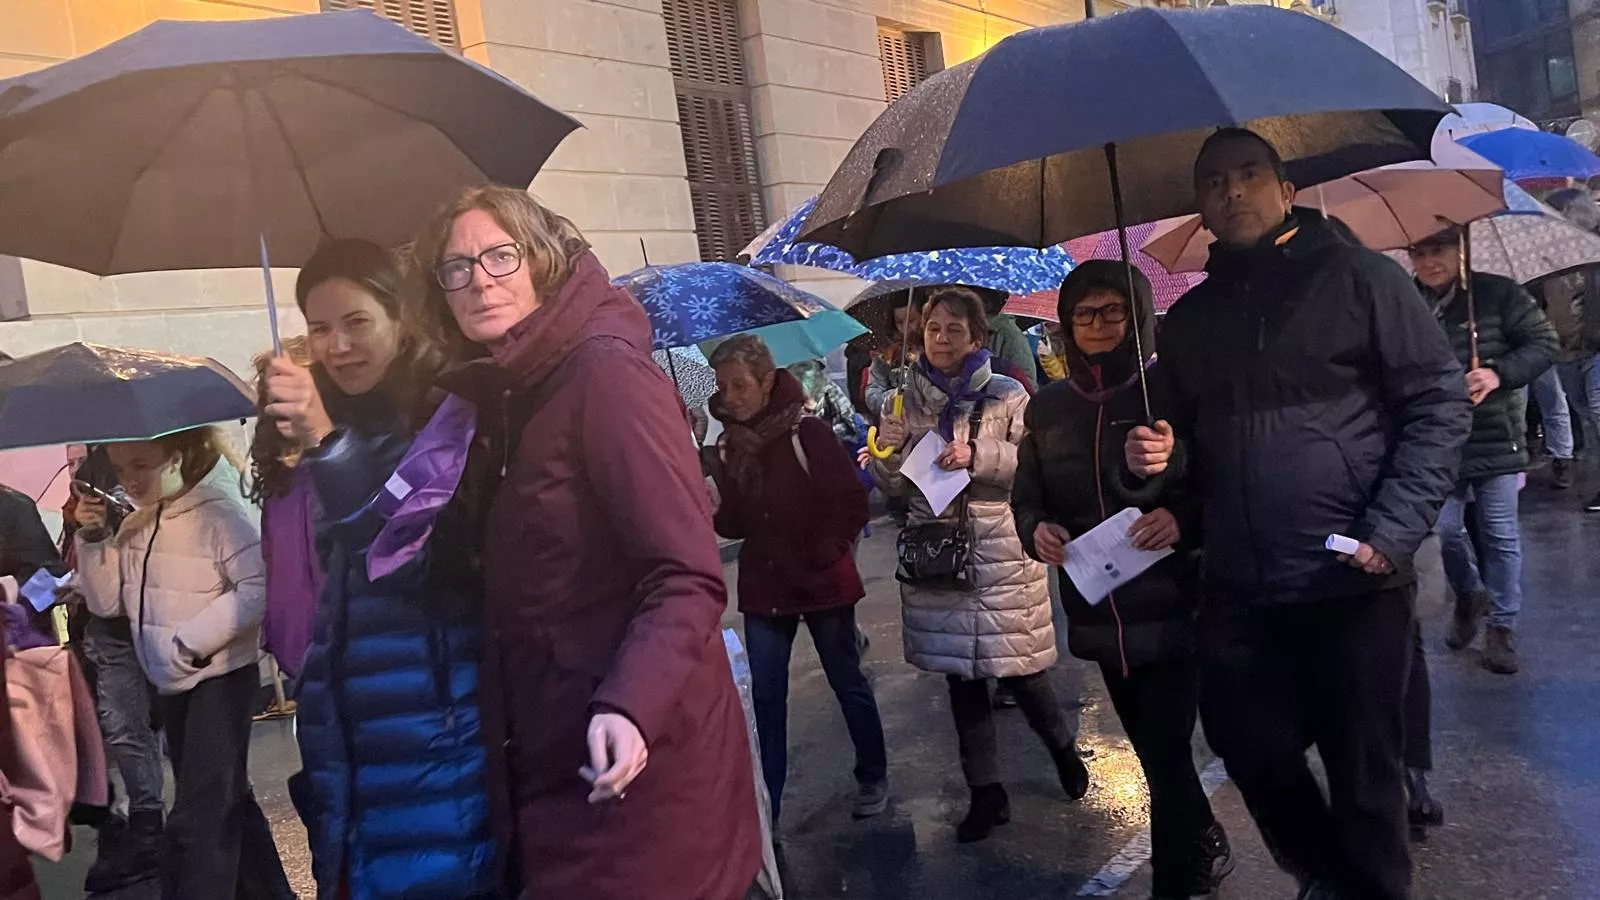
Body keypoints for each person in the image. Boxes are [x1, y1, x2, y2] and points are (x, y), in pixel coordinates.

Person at [1127, 128, 1471, 900]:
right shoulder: (1187, 324)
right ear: (1201, 207)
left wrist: (1391, 531)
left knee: (1364, 777)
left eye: (1251, 174)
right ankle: (1329, 872)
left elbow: (1437, 403)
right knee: (1247, 746)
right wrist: (1154, 462)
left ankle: (1367, 884)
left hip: (1353, 578)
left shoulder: (1363, 282)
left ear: (1287, 190)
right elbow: (1183, 457)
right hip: (1241, 586)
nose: (1233, 191)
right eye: (1214, 181)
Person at [414, 185, 762, 900]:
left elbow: (686, 576)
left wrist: (630, 704)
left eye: (499, 256)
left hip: (641, 772)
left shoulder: (604, 374)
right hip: (553, 753)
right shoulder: (505, 395)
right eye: (456, 267)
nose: (479, 279)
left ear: (541, 260)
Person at [260, 239, 500, 898]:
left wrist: (323, 440)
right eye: (318, 328)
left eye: (356, 322)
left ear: (403, 319)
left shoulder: (445, 419)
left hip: (432, 740)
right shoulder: (352, 427)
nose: (335, 346)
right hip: (360, 745)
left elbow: (402, 555)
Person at [1013, 261, 1231, 899]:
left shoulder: (1172, 390)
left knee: (1164, 758)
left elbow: (1217, 476)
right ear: (1066, 325)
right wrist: (1038, 531)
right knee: (1155, 757)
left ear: (1137, 315)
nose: (1099, 324)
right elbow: (1029, 498)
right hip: (1098, 609)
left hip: (1174, 604)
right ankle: (1203, 833)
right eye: (1085, 314)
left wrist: (1179, 515)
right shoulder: (1049, 408)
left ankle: (1176, 883)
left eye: (1112, 311)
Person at [872, 286, 1089, 843]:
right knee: (962, 681)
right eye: (932, 329)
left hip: (998, 549)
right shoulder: (902, 398)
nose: (941, 339)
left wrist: (980, 456)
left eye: (953, 330)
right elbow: (896, 490)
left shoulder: (1008, 394)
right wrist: (889, 453)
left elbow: (1031, 467)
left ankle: (1062, 750)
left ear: (976, 336)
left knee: (1023, 671)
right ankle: (986, 794)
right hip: (937, 546)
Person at [72, 428, 293, 900]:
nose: (129, 480)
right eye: (120, 469)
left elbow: (259, 585)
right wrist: (92, 537)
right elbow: (108, 601)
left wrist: (190, 643)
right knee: (229, 798)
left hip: (220, 678)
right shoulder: (137, 525)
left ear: (177, 457)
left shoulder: (219, 515)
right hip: (173, 683)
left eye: (141, 465)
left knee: (200, 813)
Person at [709, 336, 888, 824]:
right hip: (766, 585)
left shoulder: (806, 433)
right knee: (766, 695)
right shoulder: (730, 446)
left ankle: (873, 774)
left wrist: (824, 552)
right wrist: (716, 501)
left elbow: (850, 500)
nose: (730, 396)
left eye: (740, 384)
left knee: (845, 679)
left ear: (767, 382)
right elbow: (736, 526)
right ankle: (770, 803)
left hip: (820, 581)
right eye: (723, 386)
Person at [1407, 229, 1558, 674]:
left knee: (1499, 534)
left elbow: (1544, 343)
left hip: (1494, 434)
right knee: (1444, 530)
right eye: (1419, 251)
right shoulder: (1403, 302)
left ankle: (1502, 626)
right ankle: (1469, 593)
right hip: (1436, 440)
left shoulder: (1496, 294)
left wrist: (1497, 373)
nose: (1429, 261)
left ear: (1460, 251)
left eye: (1439, 250)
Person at [60, 447, 166, 892]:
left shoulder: (174, 449)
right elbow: (82, 567)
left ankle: (206, 819)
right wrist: (87, 530)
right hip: (110, 624)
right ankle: (147, 822)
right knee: (123, 726)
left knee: (185, 729)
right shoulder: (91, 470)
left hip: (169, 607)